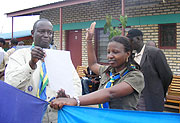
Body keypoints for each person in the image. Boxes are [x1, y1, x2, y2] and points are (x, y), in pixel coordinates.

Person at [50, 22, 144, 110]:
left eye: (115, 52)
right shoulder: (107, 71)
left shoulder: (135, 76)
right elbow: (93, 65)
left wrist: (76, 100)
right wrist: (89, 40)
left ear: (127, 54)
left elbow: (110, 93)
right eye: (108, 52)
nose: (110, 56)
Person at [5, 18, 82, 123]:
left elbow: (76, 85)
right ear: (33, 33)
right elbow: (10, 84)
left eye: (50, 33)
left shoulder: (61, 58)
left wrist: (68, 97)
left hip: (55, 116)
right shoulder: (19, 55)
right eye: (41, 31)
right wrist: (31, 64)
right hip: (27, 115)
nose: (46, 35)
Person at [127, 29, 173, 112]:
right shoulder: (131, 56)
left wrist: (159, 90)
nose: (129, 43)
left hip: (151, 98)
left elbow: (167, 76)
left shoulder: (155, 53)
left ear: (138, 39)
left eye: (131, 40)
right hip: (135, 99)